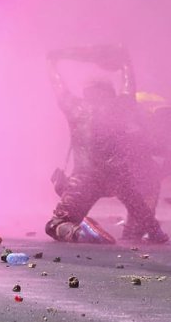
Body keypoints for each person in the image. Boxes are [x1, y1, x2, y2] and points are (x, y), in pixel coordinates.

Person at [45, 45, 168, 244]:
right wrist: (125, 62)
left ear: (86, 92)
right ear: (110, 91)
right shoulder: (123, 106)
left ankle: (79, 232)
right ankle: (154, 231)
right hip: (119, 176)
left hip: (85, 177)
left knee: (56, 224)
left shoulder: (75, 108)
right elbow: (129, 85)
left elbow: (57, 86)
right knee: (142, 213)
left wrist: (52, 62)